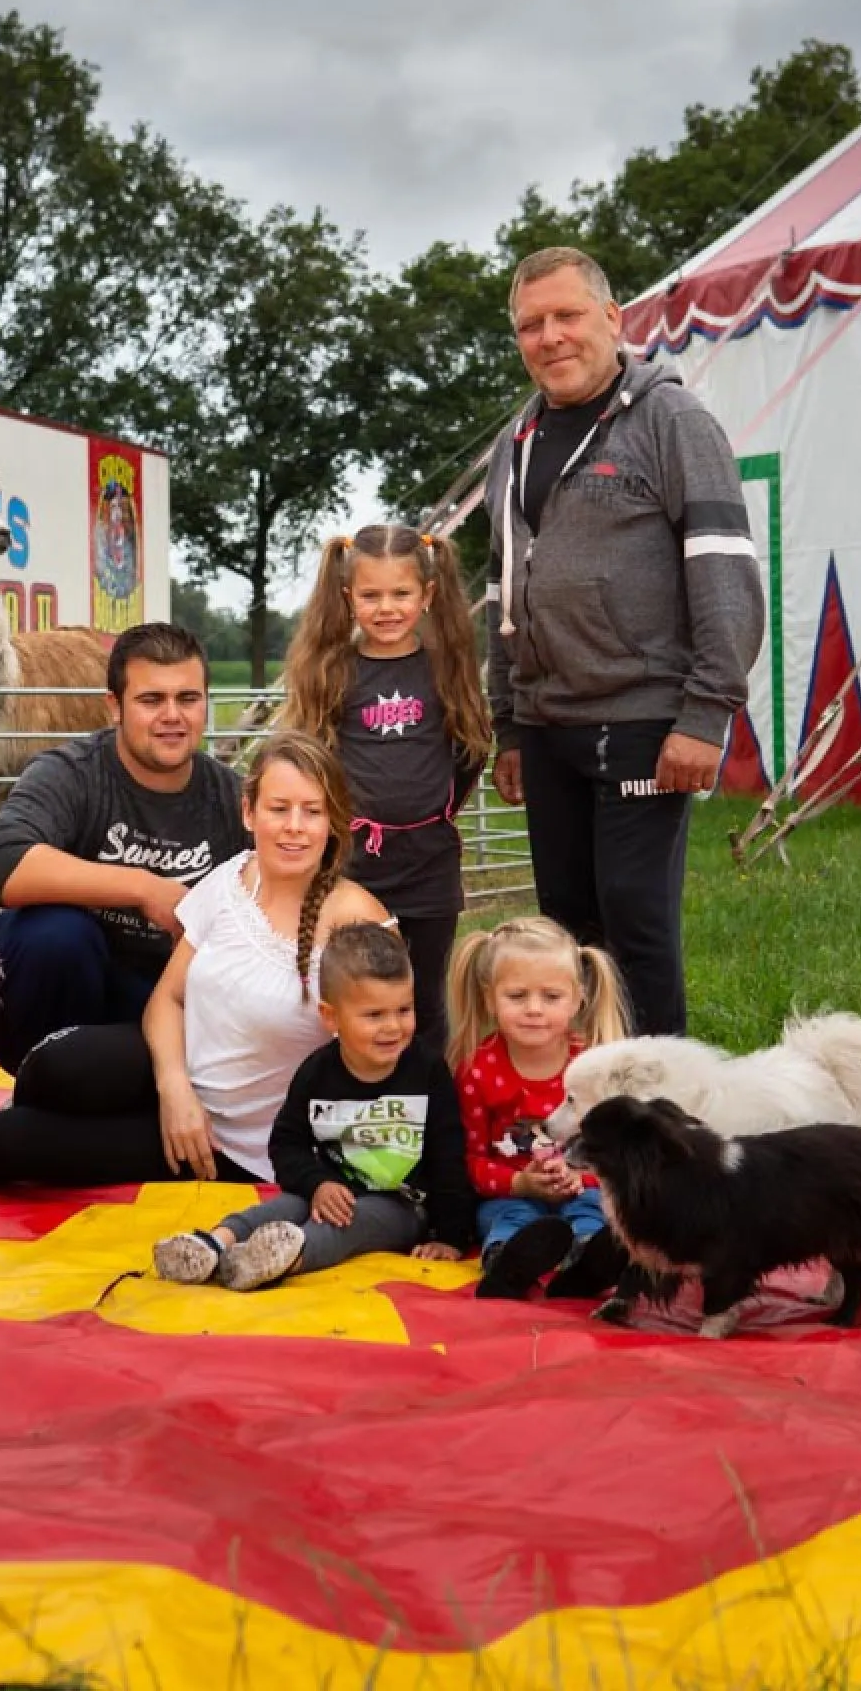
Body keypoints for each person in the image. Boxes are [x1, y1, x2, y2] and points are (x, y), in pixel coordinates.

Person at [0, 733, 389, 1187]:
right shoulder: (231, 879)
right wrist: (174, 1087)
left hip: (239, 1139)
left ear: (335, 822)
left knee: (26, 1145)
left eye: (312, 812)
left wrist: (350, 1169)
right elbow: (169, 998)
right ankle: (92, 1109)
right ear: (248, 814)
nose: (293, 827)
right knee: (57, 1070)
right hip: (181, 1070)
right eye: (279, 808)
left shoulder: (358, 921)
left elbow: (384, 1047)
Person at [485, 246, 765, 1036]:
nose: (550, 337)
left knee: (636, 926)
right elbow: (502, 588)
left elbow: (724, 571)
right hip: (547, 725)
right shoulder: (516, 443)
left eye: (568, 315)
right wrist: (509, 719)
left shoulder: (673, 420)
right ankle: (582, 1106)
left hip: (643, 720)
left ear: (613, 319)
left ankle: (658, 1119)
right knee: (566, 932)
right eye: (530, 325)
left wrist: (706, 715)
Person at [0, 622, 247, 1074]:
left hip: (159, 997)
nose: (172, 715)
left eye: (188, 699)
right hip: (51, 990)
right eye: (151, 700)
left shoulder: (231, 799)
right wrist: (143, 888)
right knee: (55, 936)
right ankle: (44, 1089)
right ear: (114, 707)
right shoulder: (71, 773)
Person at [153, 922, 475, 1291]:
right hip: (327, 1191)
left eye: (404, 1010)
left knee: (346, 1222)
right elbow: (285, 1145)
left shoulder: (428, 1071)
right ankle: (212, 1245)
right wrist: (318, 1182)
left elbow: (450, 1155)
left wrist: (451, 1235)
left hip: (401, 1204)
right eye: (374, 1015)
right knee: (284, 1206)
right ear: (331, 1017)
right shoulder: (316, 1073)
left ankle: (280, 1259)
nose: (393, 1027)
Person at [280, 523, 492, 1059]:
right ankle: (348, 1095)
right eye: (371, 595)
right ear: (348, 597)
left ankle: (428, 1109)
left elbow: (469, 750)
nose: (387, 608)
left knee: (422, 999)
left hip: (428, 864)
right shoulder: (333, 669)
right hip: (353, 864)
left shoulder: (446, 666)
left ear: (428, 595)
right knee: (353, 989)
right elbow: (310, 758)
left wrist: (430, 811)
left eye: (401, 594)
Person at [449, 915, 628, 1301]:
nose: (534, 1009)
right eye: (517, 996)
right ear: (488, 998)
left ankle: (589, 1259)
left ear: (579, 997)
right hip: (511, 1194)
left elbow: (618, 1154)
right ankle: (506, 1262)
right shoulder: (478, 1070)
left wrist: (581, 1178)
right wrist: (519, 1183)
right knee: (505, 1217)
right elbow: (470, 1158)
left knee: (594, 1209)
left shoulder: (591, 1067)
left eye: (551, 997)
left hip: (581, 1188)